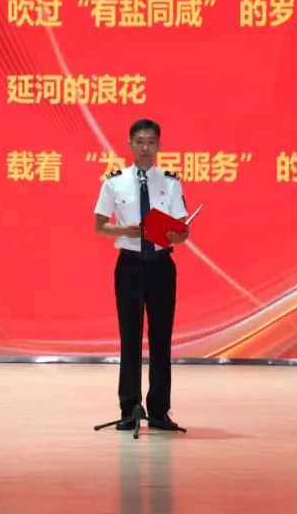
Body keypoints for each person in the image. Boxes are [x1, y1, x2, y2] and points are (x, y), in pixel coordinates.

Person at [93, 119, 189, 430]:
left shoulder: (170, 182)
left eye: (150, 142)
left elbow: (183, 229)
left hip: (161, 266)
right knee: (130, 338)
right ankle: (129, 409)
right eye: (139, 142)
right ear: (130, 145)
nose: (145, 147)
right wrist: (123, 230)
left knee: (161, 339)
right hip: (130, 266)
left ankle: (159, 412)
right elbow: (99, 225)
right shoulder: (114, 182)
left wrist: (176, 236)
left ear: (158, 145)